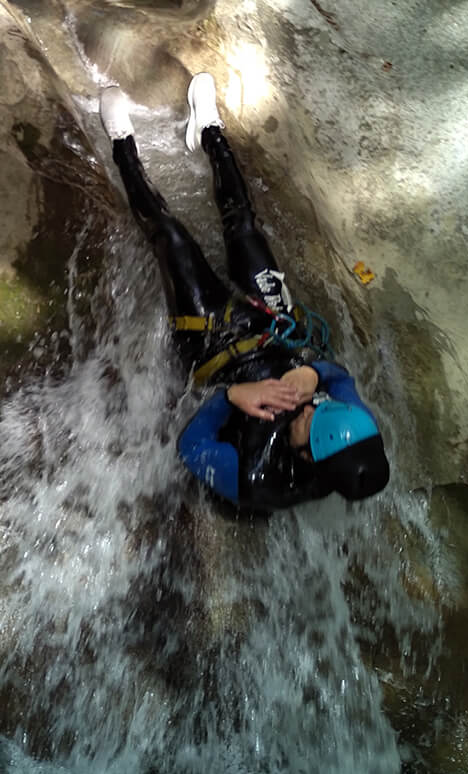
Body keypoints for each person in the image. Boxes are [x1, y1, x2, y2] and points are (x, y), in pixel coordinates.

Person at [98, 75, 390, 513]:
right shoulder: (352, 427)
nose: (310, 411)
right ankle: (210, 133)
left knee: (172, 238)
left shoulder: (255, 479)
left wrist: (232, 397)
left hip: (215, 348)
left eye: (309, 422)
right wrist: (312, 376)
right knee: (244, 226)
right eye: (319, 409)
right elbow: (340, 380)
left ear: (308, 456)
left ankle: (122, 146)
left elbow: (190, 447)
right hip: (276, 330)